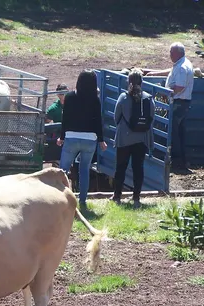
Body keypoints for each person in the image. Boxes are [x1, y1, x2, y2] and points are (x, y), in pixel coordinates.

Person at [56, 70, 107, 208]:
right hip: (90, 139)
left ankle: (60, 199)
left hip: (71, 137)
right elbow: (98, 121)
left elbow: (65, 119)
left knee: (63, 170)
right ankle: (83, 201)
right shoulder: (95, 100)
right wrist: (101, 140)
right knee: (84, 170)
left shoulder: (70, 97)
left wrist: (61, 137)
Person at [145, 42, 194, 170]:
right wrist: (153, 73)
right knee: (180, 132)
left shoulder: (182, 68)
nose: (169, 55)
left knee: (173, 132)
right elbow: (172, 72)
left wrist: (165, 92)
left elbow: (180, 87)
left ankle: (176, 161)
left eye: (171, 52)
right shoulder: (182, 64)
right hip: (183, 103)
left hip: (178, 103)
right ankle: (183, 161)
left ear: (177, 53)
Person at [111, 69, 155, 209]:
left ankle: (117, 196)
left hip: (124, 138)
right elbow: (152, 118)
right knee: (138, 168)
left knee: (121, 167)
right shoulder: (148, 98)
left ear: (128, 82)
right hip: (141, 139)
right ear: (142, 82)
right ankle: (136, 197)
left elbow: (116, 117)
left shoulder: (123, 97)